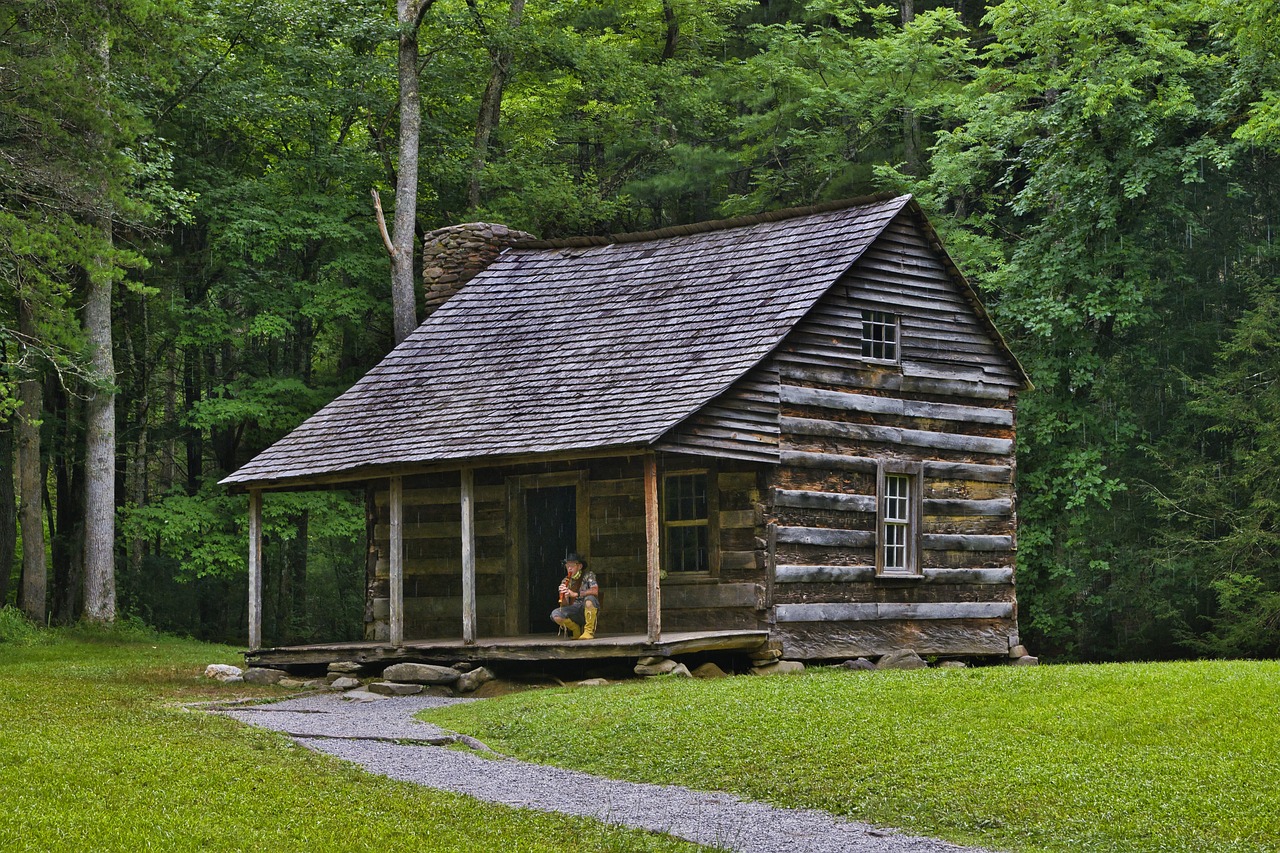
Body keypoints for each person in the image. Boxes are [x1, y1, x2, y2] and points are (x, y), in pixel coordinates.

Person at [550, 553, 599, 640]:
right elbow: (565, 605)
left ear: (579, 566)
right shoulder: (565, 581)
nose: (569, 568)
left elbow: (595, 591)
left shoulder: (588, 575)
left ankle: (588, 631)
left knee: (589, 599)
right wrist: (563, 595)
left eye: (572, 565)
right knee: (556, 614)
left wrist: (576, 594)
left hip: (588, 608)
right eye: (567, 565)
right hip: (575, 610)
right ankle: (575, 629)